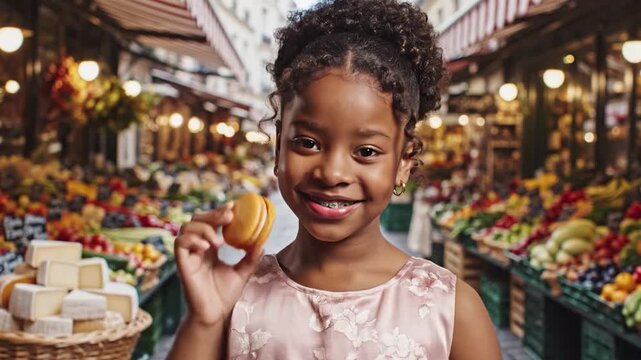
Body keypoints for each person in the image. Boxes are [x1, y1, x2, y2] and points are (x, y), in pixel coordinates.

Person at [168, 0, 501, 358]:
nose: (332, 173)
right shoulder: (231, 298)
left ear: (404, 162)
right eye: (308, 143)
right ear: (279, 146)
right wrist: (204, 321)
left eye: (367, 151)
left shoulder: (452, 312)